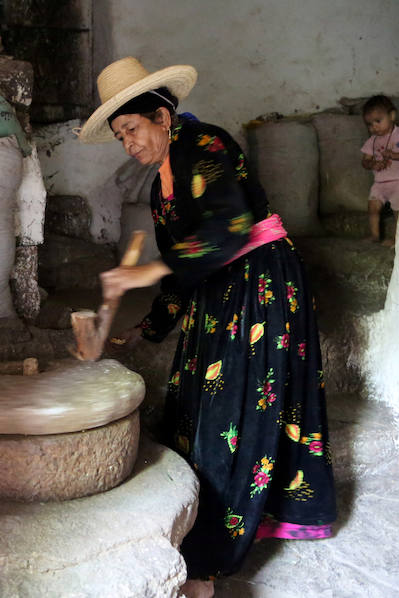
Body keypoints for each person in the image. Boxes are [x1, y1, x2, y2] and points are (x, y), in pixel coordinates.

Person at [78, 57, 337, 598]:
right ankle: (203, 525)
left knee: (235, 415)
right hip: (220, 293)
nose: (128, 143)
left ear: (161, 115)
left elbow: (229, 227)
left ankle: (207, 565)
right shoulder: (160, 187)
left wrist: (142, 271)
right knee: (195, 408)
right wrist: (145, 329)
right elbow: (182, 263)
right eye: (120, 136)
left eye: (131, 129)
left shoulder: (207, 146)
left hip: (261, 285)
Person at [360, 95, 399, 246]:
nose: (374, 127)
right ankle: (375, 236)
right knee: (373, 207)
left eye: (378, 121)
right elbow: (365, 161)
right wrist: (372, 164)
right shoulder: (372, 141)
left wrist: (394, 155)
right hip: (380, 183)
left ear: (392, 115)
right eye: (370, 124)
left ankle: (397, 240)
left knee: (398, 212)